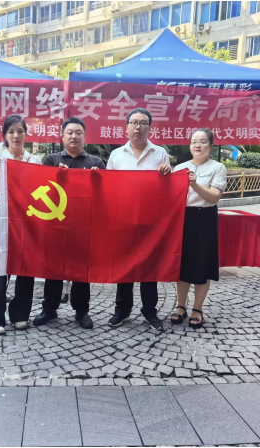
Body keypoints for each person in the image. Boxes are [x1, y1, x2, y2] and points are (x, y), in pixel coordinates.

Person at [33, 117, 105, 330]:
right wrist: (56, 176)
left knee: (82, 270)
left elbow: (105, 195)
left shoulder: (96, 163)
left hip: (84, 225)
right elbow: (40, 189)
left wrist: (98, 180)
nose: (74, 136)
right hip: (56, 224)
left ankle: (82, 311)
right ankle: (49, 308)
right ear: (62, 137)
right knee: (53, 268)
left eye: (78, 133)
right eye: (70, 132)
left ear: (85, 137)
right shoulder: (51, 160)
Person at [106, 108, 171, 331]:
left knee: (149, 268)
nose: (138, 127)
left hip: (150, 221)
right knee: (124, 266)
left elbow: (168, 188)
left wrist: (167, 173)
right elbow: (108, 187)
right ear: (126, 127)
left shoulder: (160, 154)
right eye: (134, 122)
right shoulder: (116, 155)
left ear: (149, 128)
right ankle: (122, 311)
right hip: (123, 219)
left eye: (143, 123)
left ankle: (150, 312)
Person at [0, 115, 42, 335]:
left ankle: (20, 314)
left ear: (26, 134)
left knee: (26, 264)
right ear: (5, 135)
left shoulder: (34, 161)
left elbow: (39, 189)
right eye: (11, 132)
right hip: (3, 214)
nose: (16, 136)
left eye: (20, 131)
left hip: (28, 215)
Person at [170, 129, 226, 329]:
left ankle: (197, 308)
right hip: (183, 218)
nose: (198, 145)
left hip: (205, 217)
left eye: (202, 142)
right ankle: (181, 306)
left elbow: (214, 197)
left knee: (202, 263)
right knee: (182, 263)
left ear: (211, 145)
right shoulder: (180, 167)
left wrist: (193, 184)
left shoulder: (217, 167)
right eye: (194, 142)